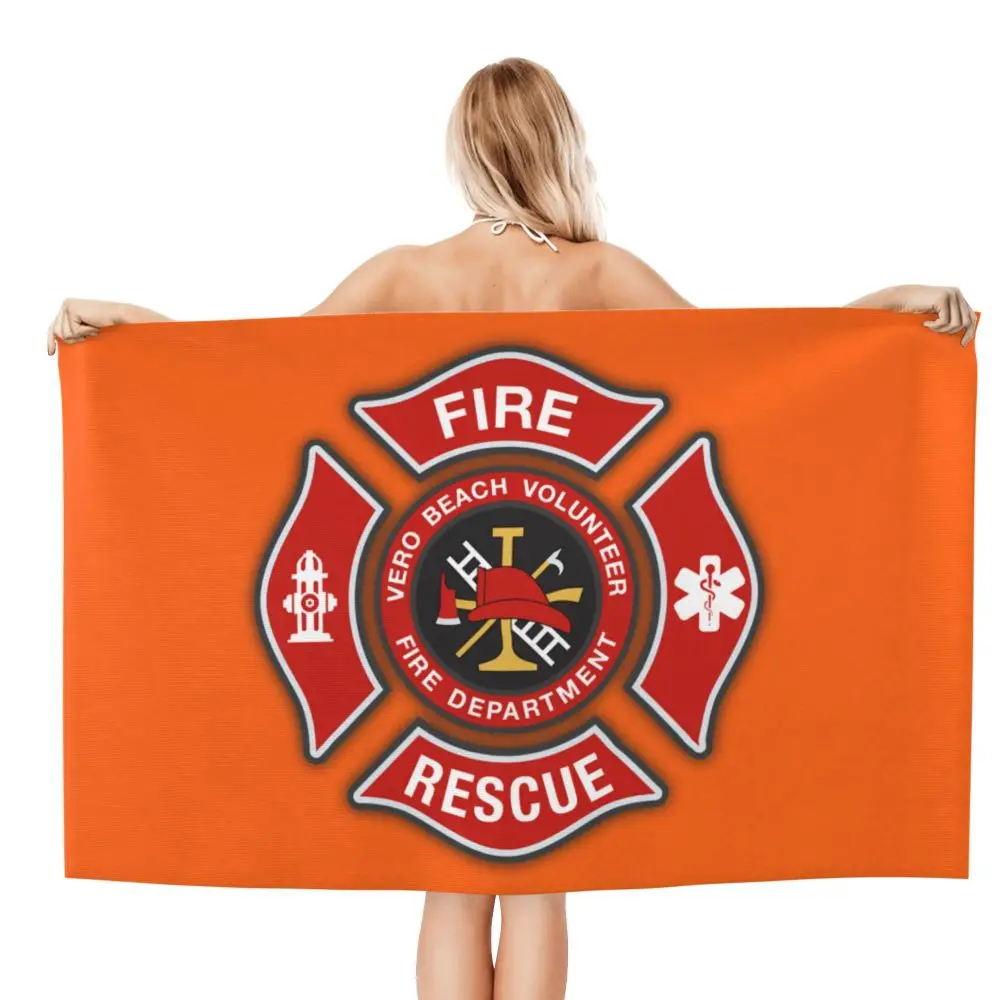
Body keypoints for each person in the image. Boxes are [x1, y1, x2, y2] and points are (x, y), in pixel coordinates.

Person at [46, 57, 977, 1000]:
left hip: (422, 621)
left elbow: (249, 379)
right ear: (560, 147)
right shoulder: (599, 273)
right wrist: (889, 319)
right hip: (577, 626)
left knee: (450, 878)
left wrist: (128, 337)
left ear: (465, 150)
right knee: (538, 879)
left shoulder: (404, 273)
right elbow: (759, 369)